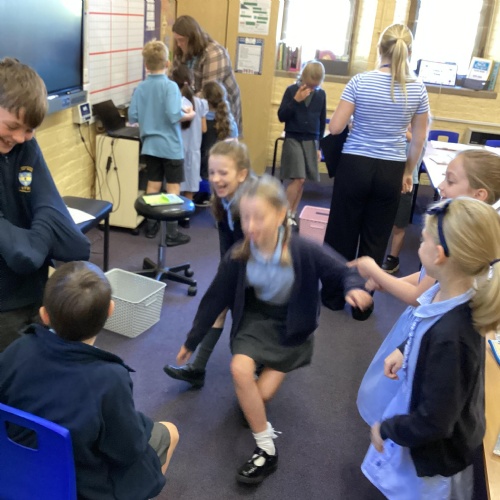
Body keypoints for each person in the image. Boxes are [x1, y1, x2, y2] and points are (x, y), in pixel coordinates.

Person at [172, 174, 373, 484]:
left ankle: (253, 395)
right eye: (245, 218)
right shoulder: (239, 254)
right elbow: (214, 299)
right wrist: (192, 341)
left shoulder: (303, 249)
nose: (251, 226)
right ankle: (266, 450)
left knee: (259, 396)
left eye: (259, 217)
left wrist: (354, 289)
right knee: (240, 369)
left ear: (281, 215)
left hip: (292, 327)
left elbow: (342, 271)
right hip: (255, 321)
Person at [0, 261, 179, 499]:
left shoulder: (17, 349)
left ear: (44, 315)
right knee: (169, 432)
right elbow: (127, 450)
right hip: (79, 485)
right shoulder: (110, 378)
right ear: (111, 311)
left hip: (15, 468)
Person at [361, 197, 500, 499]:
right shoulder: (447, 291)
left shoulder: (453, 336)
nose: (419, 244)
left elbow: (433, 422)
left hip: (434, 458)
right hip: (423, 417)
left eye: (422, 239)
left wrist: (386, 429)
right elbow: (425, 324)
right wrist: (405, 348)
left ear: (438, 255)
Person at [322, 23, 429, 311]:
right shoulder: (417, 88)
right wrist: (408, 171)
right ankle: (363, 303)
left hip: (355, 165)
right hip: (391, 169)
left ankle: (333, 297)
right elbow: (419, 139)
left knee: (341, 233)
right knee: (376, 238)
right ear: (408, 52)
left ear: (380, 48)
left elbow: (335, 127)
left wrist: (357, 122)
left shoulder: (360, 81)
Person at [0, 57, 90, 352]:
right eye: (13, 126)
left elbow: (71, 240)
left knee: (38, 370)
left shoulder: (23, 144)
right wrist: (42, 239)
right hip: (3, 306)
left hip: (36, 294)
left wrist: (32, 241)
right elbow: (23, 255)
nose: (19, 137)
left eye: (29, 130)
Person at [164, 139, 256, 387]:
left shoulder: (252, 205)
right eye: (212, 172)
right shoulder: (223, 201)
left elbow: (259, 252)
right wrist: (224, 276)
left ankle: (258, 373)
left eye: (223, 173)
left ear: (242, 174)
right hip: (238, 261)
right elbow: (228, 247)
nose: (215, 179)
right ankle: (197, 369)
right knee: (219, 307)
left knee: (248, 321)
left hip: (264, 270)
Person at [128, 39, 195, 246]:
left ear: (146, 65)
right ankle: (172, 232)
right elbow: (174, 115)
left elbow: (132, 116)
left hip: (150, 146)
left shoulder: (140, 88)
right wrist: (190, 115)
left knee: (153, 184)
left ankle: (151, 226)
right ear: (167, 63)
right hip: (171, 147)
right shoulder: (171, 86)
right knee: (173, 187)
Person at [171, 15, 242, 134]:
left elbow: (207, 92)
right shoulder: (181, 50)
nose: (178, 44)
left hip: (218, 113)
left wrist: (182, 104)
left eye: (181, 40)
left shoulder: (214, 53)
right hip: (196, 108)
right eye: (176, 40)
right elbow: (174, 78)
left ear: (192, 39)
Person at [277, 60, 326, 226]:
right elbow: (282, 116)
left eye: (315, 85)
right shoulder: (291, 91)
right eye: (310, 84)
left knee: (302, 180)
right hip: (293, 138)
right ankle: (283, 214)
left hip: (311, 140)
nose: (312, 88)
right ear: (303, 77)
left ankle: (292, 213)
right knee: (298, 178)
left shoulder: (321, 95)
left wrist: (319, 147)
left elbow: (321, 121)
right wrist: (296, 100)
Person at [382, 125, 428, 274]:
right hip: (385, 179)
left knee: (399, 225)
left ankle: (393, 258)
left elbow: (416, 139)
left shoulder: (418, 138)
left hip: (404, 185)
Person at [170, 65, 209, 227]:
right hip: (194, 151)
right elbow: (204, 129)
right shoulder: (201, 103)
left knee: (175, 184)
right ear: (192, 82)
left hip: (176, 150)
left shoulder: (174, 103)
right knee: (190, 185)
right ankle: (185, 218)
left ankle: (173, 214)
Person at [194, 80, 239, 207]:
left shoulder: (198, 118)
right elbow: (235, 145)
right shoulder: (228, 120)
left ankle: (203, 193)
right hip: (221, 172)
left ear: (204, 100)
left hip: (199, 172)